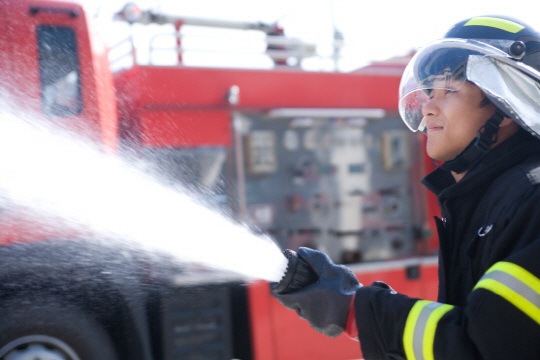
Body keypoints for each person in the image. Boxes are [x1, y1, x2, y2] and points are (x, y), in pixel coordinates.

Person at [273, 15, 540, 360]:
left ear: (506, 105)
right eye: (429, 91)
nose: (428, 106)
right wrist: (352, 302)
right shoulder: (488, 203)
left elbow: (481, 347)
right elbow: (471, 328)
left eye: (449, 89)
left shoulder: (531, 202)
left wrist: (354, 307)